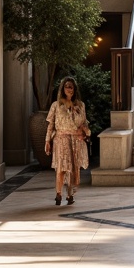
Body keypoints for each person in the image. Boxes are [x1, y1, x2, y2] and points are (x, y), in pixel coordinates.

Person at [44, 75, 90, 205]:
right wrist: (47, 141)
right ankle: (58, 194)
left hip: (75, 139)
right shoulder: (56, 105)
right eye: (67, 86)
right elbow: (51, 124)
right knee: (62, 167)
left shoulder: (80, 105)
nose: (69, 89)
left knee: (73, 169)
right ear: (62, 88)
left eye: (71, 87)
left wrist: (85, 133)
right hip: (61, 139)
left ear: (75, 89)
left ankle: (70, 195)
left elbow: (84, 124)